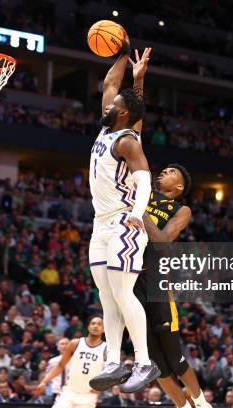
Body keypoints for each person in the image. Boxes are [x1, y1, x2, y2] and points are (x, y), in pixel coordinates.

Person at [88, 41, 159, 393]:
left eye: (115, 105)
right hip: (100, 224)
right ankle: (114, 361)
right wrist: (123, 54)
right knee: (107, 296)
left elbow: (145, 179)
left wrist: (136, 214)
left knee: (122, 290)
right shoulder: (109, 128)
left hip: (123, 223)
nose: (109, 101)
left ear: (123, 114)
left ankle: (145, 362)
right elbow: (110, 85)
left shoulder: (128, 141)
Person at [134, 164, 211, 408]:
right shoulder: (141, 192)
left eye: (170, 172)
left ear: (178, 187)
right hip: (129, 280)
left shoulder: (181, 209)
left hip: (156, 281)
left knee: (174, 356)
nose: (163, 172)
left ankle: (201, 403)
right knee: (154, 361)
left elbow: (161, 242)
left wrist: (139, 211)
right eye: (164, 170)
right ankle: (183, 406)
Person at [36, 316, 106, 408]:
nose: (96, 326)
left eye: (99, 324)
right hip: (69, 391)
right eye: (93, 323)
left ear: (104, 329)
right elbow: (60, 365)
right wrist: (44, 382)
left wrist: (103, 387)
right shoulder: (75, 343)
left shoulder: (106, 349)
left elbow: (113, 373)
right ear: (88, 327)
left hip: (88, 395)